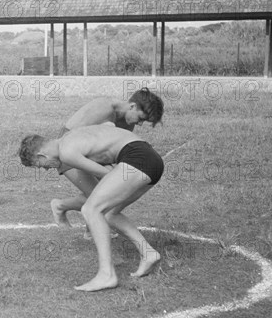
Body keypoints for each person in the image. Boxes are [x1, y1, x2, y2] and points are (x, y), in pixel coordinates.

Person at [19, 123, 164, 292]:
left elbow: (106, 175)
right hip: (149, 159)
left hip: (138, 159)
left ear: (41, 154)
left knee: (91, 209)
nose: (45, 169)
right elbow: (109, 126)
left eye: (41, 165)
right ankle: (148, 253)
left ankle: (107, 275)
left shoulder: (67, 152)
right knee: (109, 213)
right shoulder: (73, 136)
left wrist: (114, 171)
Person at [52, 88, 164, 233]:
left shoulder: (128, 123)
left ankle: (87, 227)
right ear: (132, 106)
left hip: (95, 154)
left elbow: (114, 148)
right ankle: (60, 207)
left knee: (108, 194)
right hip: (67, 151)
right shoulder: (103, 108)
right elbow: (72, 138)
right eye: (141, 118)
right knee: (98, 197)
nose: (140, 123)